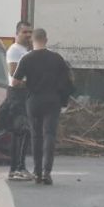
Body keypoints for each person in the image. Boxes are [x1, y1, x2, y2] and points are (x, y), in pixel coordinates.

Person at [12, 27, 74, 185]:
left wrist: (28, 83)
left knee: (36, 136)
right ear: (46, 40)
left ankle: (37, 172)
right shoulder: (57, 58)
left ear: (32, 40)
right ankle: (47, 172)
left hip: (33, 101)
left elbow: (15, 81)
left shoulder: (26, 58)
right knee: (50, 135)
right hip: (52, 100)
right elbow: (67, 81)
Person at [4, 21, 35, 181]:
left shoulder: (27, 50)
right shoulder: (15, 50)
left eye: (30, 32)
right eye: (25, 32)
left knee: (25, 132)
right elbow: (14, 74)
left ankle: (19, 167)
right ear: (17, 33)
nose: (29, 35)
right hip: (17, 94)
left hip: (25, 94)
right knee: (20, 131)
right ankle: (16, 168)